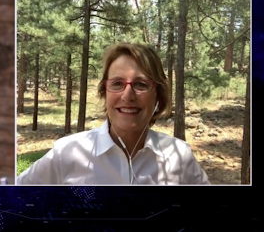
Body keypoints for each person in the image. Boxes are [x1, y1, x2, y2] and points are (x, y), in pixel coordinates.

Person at [17, 43, 210, 185]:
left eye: (141, 84)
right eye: (117, 83)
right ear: (104, 92)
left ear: (158, 95)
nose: (128, 95)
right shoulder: (68, 153)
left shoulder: (179, 156)